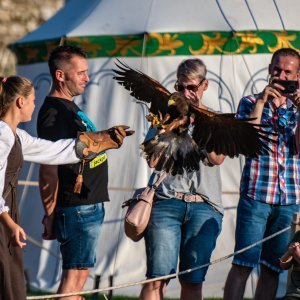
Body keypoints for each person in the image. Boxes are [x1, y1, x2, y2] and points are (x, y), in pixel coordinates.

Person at [0, 75, 131, 300]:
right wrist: (9, 222)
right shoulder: (2, 135)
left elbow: (52, 151)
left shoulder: (17, 135)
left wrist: (98, 140)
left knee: (10, 281)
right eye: (32, 99)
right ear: (20, 102)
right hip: (3, 216)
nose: (34, 105)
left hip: (6, 215)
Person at [37, 45, 128, 300]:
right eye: (81, 73)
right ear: (60, 75)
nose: (87, 78)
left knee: (80, 276)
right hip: (76, 207)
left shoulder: (69, 108)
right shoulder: (53, 112)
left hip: (87, 205)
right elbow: (48, 168)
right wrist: (50, 213)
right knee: (73, 280)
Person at [139, 58, 225, 300]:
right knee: (157, 280)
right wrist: (165, 124)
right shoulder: (164, 115)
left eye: (192, 88)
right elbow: (152, 161)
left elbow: (217, 158)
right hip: (167, 201)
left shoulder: (215, 118)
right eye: (180, 87)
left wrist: (200, 121)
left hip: (204, 205)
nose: (186, 93)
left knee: (193, 281)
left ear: (204, 85)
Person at [223, 48, 300, 300]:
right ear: (269, 69)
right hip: (256, 194)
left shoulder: (297, 108)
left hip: (288, 199)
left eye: (288, 72)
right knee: (243, 263)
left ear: (298, 76)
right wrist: (260, 102)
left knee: (272, 268)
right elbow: (246, 143)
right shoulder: (249, 101)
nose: (281, 75)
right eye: (277, 69)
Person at [280, 230, 300, 300]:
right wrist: (289, 253)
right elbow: (283, 266)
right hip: (294, 294)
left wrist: (298, 256)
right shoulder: (298, 234)